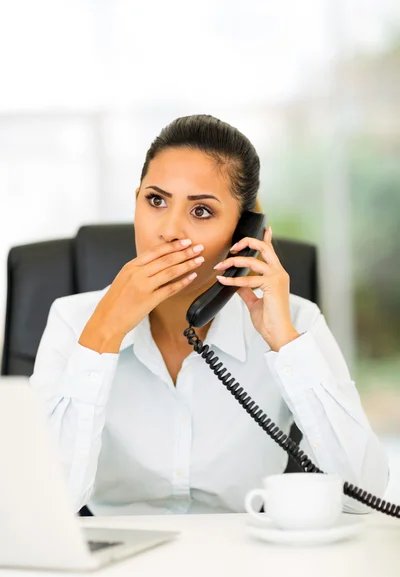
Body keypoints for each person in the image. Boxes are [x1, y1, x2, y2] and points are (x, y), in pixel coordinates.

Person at [30, 114, 389, 516]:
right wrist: (102, 336)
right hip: (117, 566)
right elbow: (45, 507)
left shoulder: (297, 322)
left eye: (201, 211)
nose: (168, 230)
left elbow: (361, 498)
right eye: (156, 200)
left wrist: (286, 345)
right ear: (136, 202)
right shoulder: (73, 320)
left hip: (246, 566)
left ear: (243, 232)